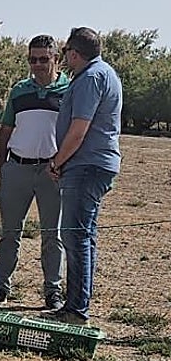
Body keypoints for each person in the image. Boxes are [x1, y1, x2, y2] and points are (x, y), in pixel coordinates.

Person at [0, 35, 70, 310]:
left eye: (43, 59)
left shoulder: (70, 90)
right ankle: (0, 287)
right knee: (9, 232)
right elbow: (4, 132)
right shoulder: (19, 91)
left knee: (52, 234)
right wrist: (4, 168)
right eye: (32, 59)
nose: (37, 64)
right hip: (17, 167)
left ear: (56, 59)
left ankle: (53, 291)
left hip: (52, 172)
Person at [46, 27, 122, 325]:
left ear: (74, 53)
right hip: (93, 164)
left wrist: (57, 161)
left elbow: (79, 130)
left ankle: (76, 310)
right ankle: (77, 304)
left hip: (86, 165)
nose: (65, 57)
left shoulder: (90, 77)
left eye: (66, 52)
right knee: (84, 236)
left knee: (75, 236)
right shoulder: (105, 72)